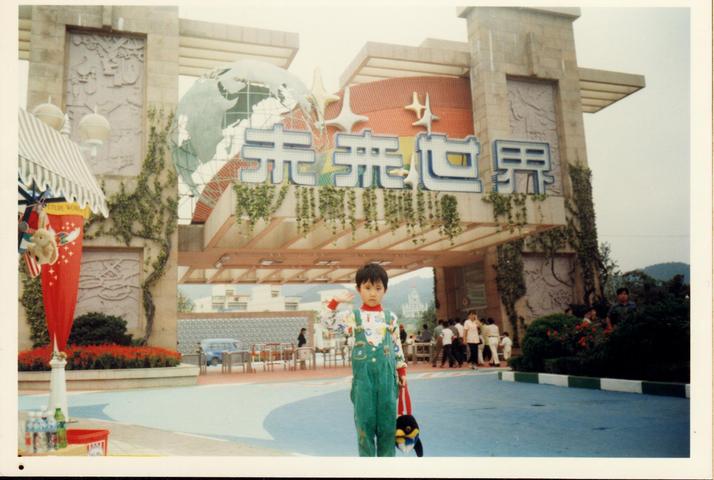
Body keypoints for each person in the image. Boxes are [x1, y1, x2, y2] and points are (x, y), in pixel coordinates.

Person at [320, 263, 407, 457]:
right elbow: (326, 322)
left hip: (387, 381)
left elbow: (397, 347)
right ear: (359, 289)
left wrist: (402, 371)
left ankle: (387, 467)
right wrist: (335, 301)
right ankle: (367, 467)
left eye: (378, 288)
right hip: (363, 383)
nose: (373, 293)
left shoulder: (390, 318)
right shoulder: (352, 317)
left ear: (385, 290)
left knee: (387, 427)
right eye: (367, 288)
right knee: (364, 427)